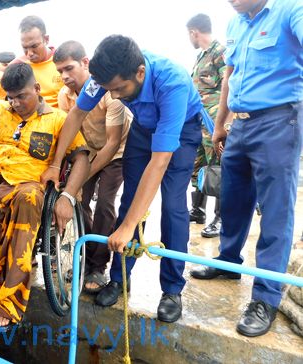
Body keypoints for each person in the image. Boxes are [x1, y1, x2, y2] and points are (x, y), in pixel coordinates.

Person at [42, 35, 211, 323]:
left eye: (120, 89)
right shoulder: (103, 78)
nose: (115, 96)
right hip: (143, 131)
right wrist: (55, 165)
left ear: (140, 73)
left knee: (173, 207)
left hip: (180, 132)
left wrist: (129, 226)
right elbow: (76, 115)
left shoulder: (172, 83)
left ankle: (171, 289)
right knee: (130, 201)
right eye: (110, 90)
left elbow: (159, 163)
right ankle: (120, 279)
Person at [190, 0, 302, 337]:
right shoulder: (236, 23)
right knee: (233, 197)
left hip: (280, 120)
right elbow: (230, 75)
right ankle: (228, 263)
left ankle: (265, 297)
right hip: (239, 124)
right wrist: (221, 123)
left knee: (275, 210)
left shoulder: (291, 9)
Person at [0, 63, 89, 327]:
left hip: (29, 185)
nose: (15, 103)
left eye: (21, 96)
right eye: (10, 97)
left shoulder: (58, 119)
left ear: (36, 89)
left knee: (27, 200)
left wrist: (68, 196)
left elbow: (82, 160)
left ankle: (8, 300)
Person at [53, 40, 132, 294]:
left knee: (105, 203)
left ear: (85, 63)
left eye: (69, 68)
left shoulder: (110, 91)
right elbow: (72, 134)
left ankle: (98, 266)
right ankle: (84, 256)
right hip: (88, 151)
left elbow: (111, 143)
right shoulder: (64, 96)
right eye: (60, 72)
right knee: (77, 201)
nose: (65, 76)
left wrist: (86, 173)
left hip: (116, 152)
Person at [186, 13, 227, 238]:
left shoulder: (220, 52)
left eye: (189, 34)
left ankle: (221, 218)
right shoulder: (201, 57)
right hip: (199, 123)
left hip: (215, 124)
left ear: (194, 32)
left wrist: (225, 125)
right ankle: (198, 210)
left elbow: (229, 87)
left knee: (220, 169)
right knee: (199, 166)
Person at [12, 15, 63, 108]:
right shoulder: (16, 66)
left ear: (46, 39)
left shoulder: (63, 60)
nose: (30, 53)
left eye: (34, 46)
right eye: (25, 48)